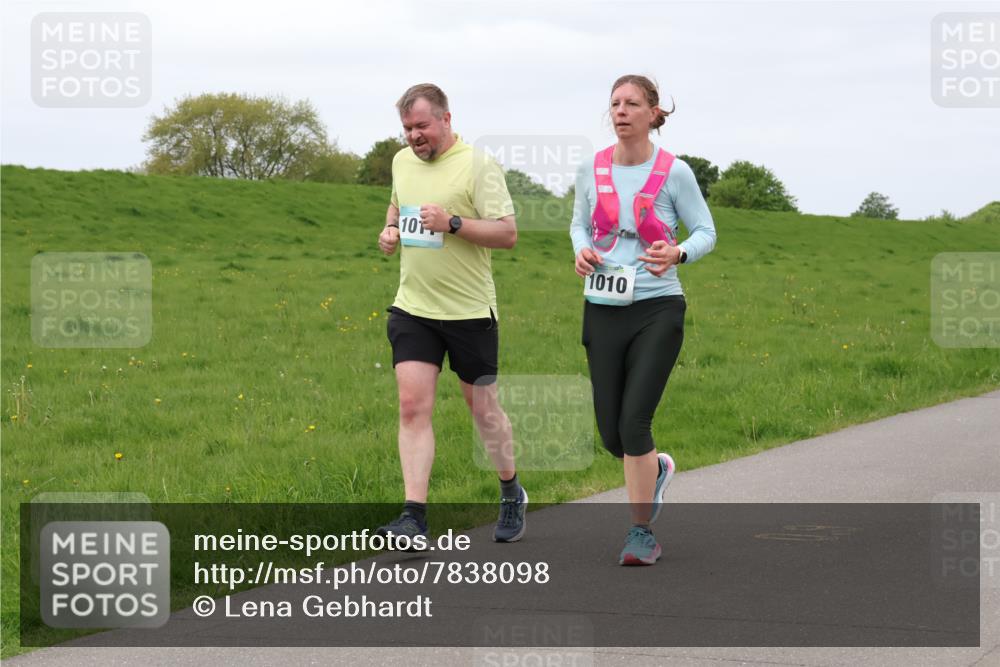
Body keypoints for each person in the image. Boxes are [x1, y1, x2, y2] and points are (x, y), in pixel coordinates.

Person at [570, 74, 717, 565]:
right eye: (614, 103)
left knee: (634, 423)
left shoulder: (676, 173)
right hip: (603, 307)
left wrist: (678, 253)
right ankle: (654, 471)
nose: (621, 110)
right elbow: (577, 223)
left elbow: (705, 231)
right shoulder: (590, 169)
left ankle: (640, 533)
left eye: (632, 103)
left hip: (658, 308)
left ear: (654, 113)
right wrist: (580, 251)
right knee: (612, 435)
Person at [375, 83, 527, 546]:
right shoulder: (402, 162)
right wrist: (388, 227)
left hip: (468, 312)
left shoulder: (478, 165)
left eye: (421, 126)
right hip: (414, 307)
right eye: (407, 128)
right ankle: (413, 517)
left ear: (445, 118)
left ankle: (509, 491)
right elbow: (400, 202)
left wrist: (453, 224)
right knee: (411, 406)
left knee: (483, 409)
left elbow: (507, 234)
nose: (414, 137)